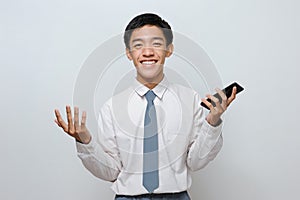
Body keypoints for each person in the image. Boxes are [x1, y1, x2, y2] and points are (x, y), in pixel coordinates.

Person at [54, 13, 237, 200]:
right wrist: (85, 141)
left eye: (156, 43)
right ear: (128, 53)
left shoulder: (190, 100)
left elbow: (196, 162)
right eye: (138, 45)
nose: (147, 52)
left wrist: (212, 122)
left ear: (169, 49)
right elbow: (110, 172)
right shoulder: (112, 108)